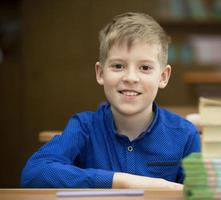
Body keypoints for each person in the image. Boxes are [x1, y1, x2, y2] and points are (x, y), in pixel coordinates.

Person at [21, 12, 201, 189]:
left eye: (144, 67)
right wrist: (121, 181)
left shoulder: (185, 135)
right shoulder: (84, 127)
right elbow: (34, 173)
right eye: (118, 66)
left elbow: (202, 192)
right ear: (100, 73)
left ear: (163, 76)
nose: (131, 77)